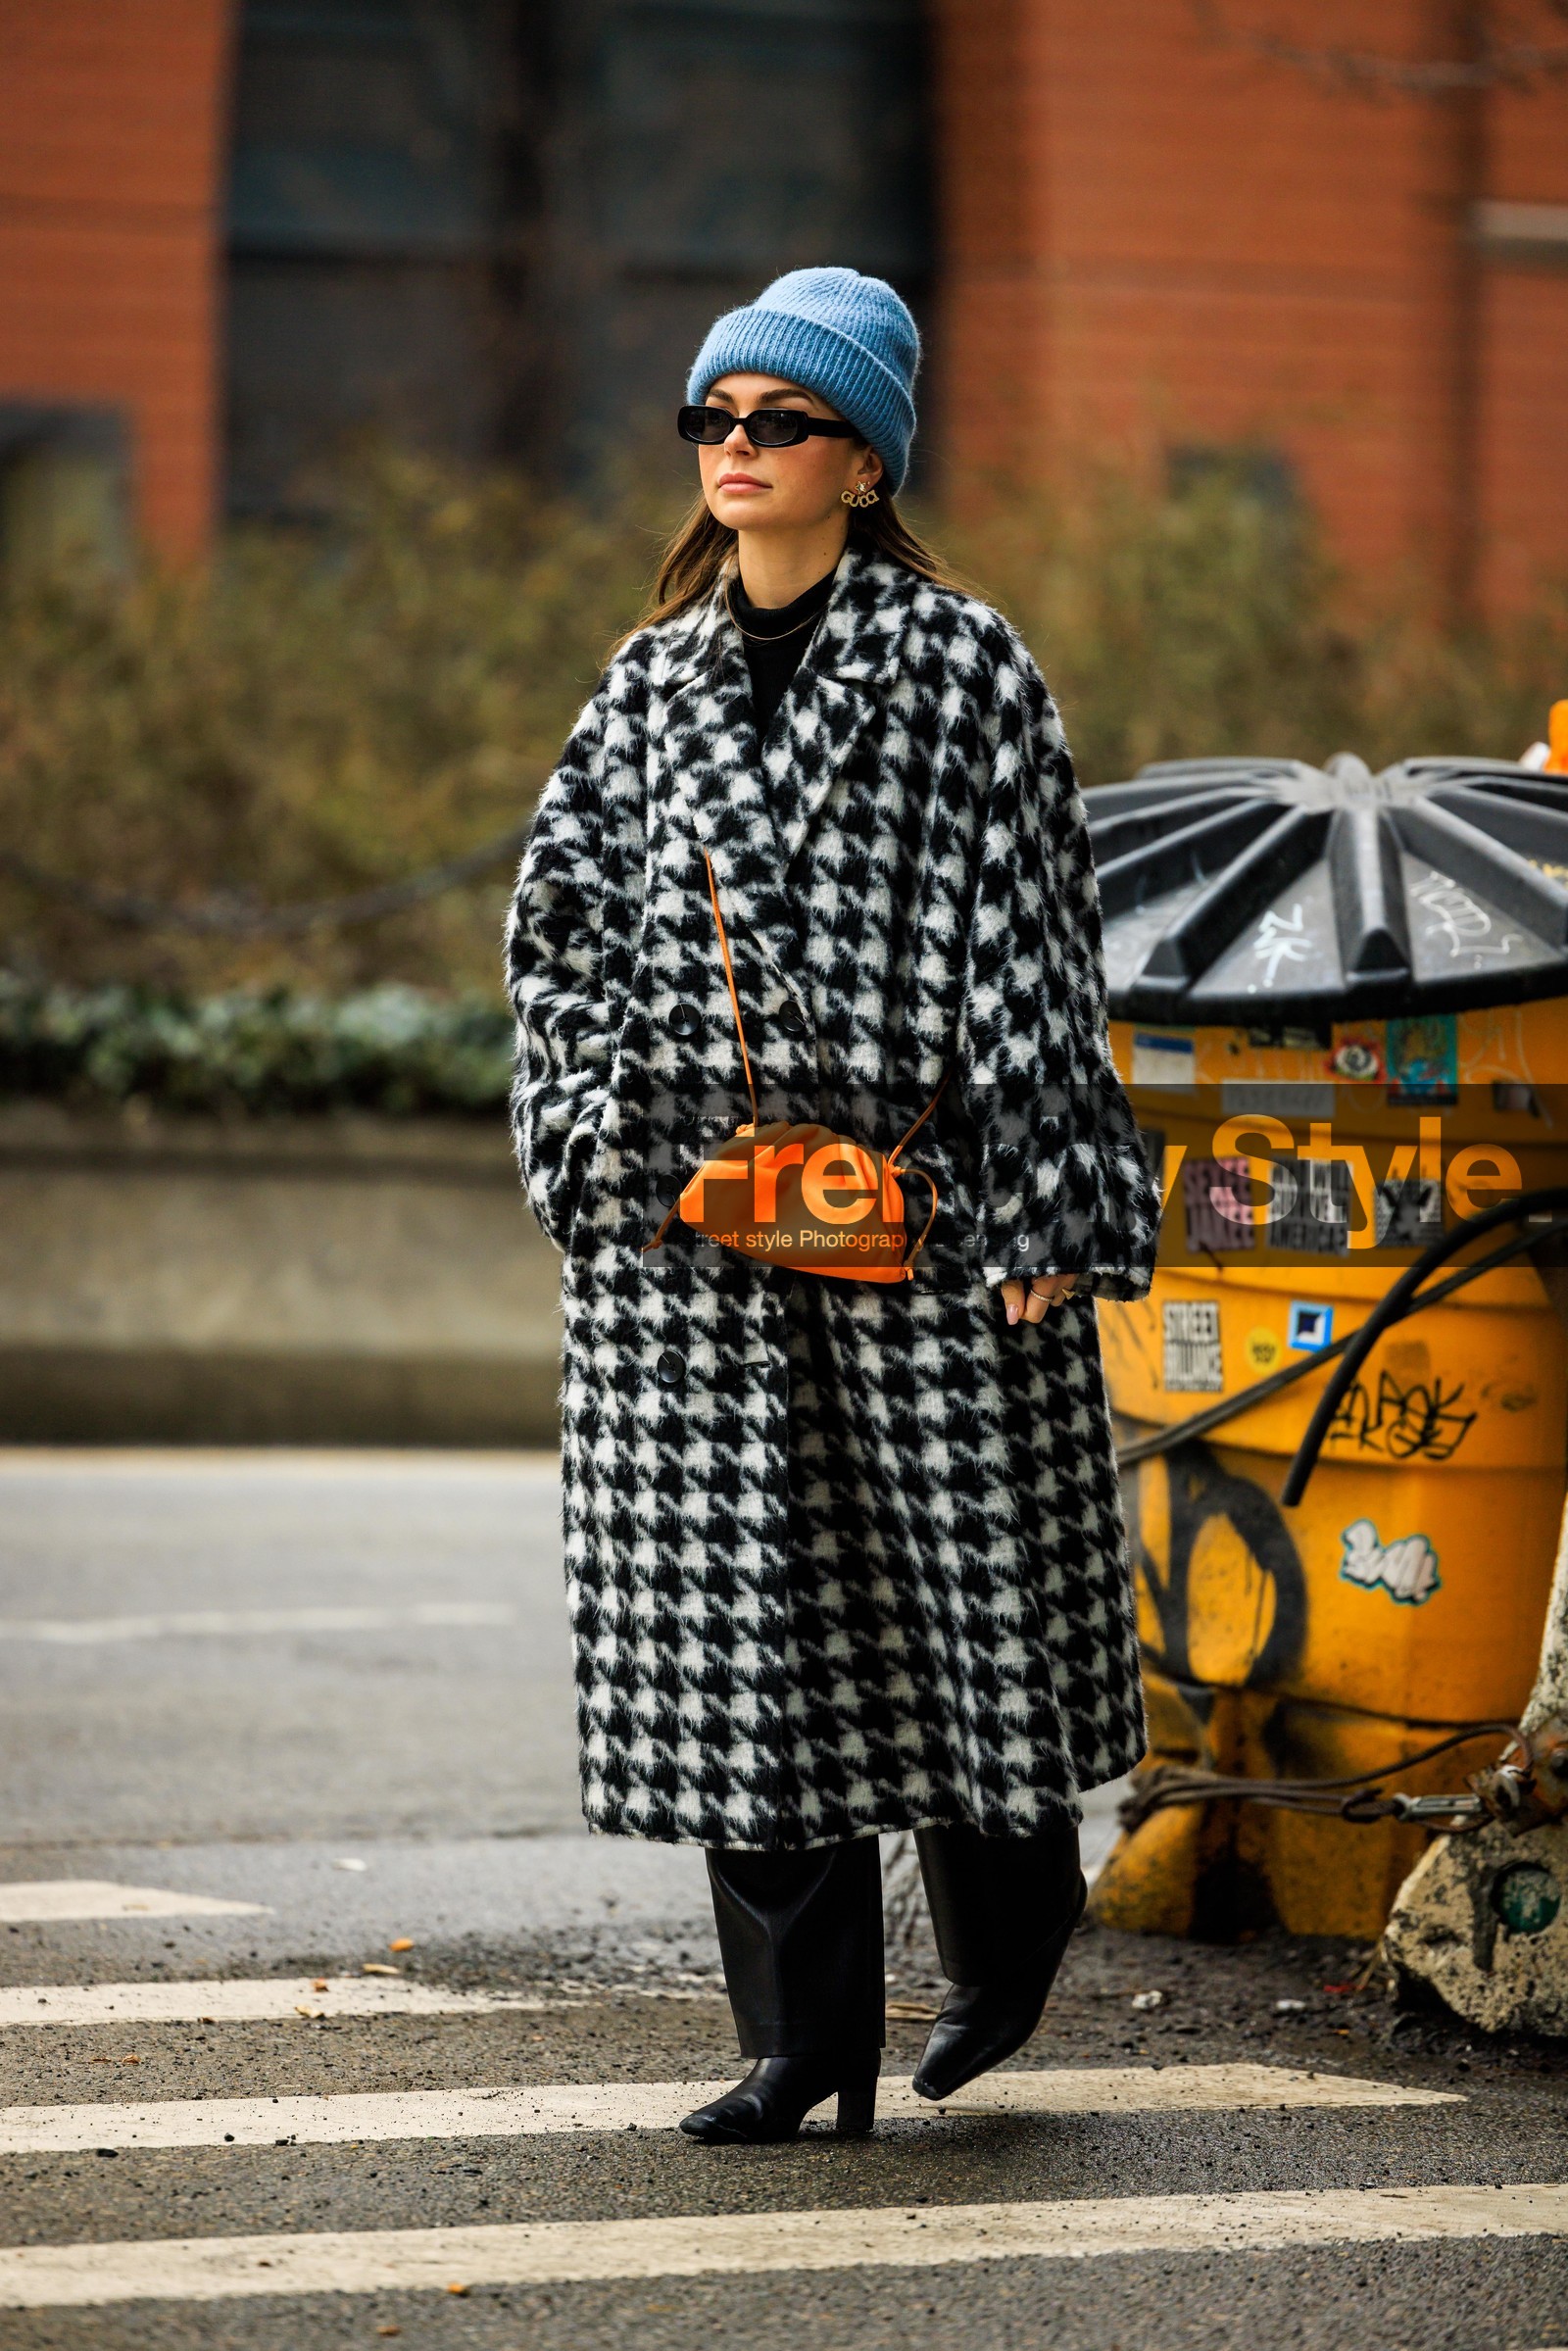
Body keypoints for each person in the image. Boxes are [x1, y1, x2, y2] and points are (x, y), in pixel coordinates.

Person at [504, 267, 1159, 2146]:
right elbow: (558, 930)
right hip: (698, 1240)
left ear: (862, 463)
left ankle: (1007, 1951)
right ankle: (801, 2046)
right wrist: (605, 1143)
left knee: (969, 1615)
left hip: (926, 1220)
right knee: (744, 1638)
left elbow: (1038, 951)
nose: (734, 450)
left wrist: (1045, 1210)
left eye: (776, 423)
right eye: (713, 419)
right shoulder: (649, 683)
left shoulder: (966, 668)